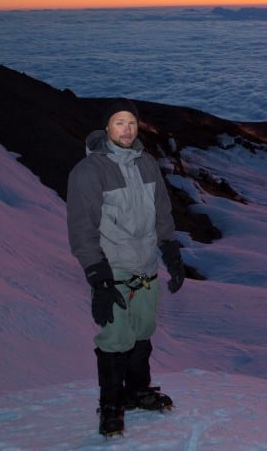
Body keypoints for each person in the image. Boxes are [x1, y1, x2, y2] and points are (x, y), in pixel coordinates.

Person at [66, 97, 186, 436]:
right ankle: (111, 404)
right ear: (106, 128)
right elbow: (81, 229)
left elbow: (162, 210)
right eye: (119, 122)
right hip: (113, 269)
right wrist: (97, 277)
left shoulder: (146, 164)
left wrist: (171, 252)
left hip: (146, 268)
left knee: (142, 332)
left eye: (131, 122)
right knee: (115, 336)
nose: (127, 129)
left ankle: (136, 391)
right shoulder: (90, 171)